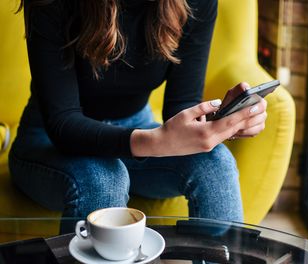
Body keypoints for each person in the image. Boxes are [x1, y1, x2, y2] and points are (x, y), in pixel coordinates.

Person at [9, 0, 267, 232]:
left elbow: (181, 105)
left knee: (215, 163)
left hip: (138, 128)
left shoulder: (195, 3)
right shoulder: (51, 3)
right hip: (49, 141)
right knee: (104, 179)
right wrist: (155, 142)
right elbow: (62, 123)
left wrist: (220, 123)